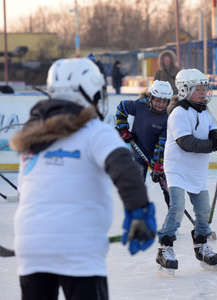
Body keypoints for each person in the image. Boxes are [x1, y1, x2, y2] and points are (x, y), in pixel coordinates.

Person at [10, 58, 156, 300]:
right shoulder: (95, 131)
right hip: (79, 247)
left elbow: (26, 193)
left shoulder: (31, 139)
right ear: (89, 93)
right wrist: (139, 212)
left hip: (31, 245)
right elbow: (125, 167)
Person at [156, 68, 217, 274]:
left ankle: (201, 245)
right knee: (177, 207)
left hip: (196, 171)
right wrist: (215, 145)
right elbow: (187, 143)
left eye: (204, 88)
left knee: (202, 210)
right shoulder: (178, 114)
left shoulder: (204, 111)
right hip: (177, 169)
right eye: (198, 89)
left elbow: (212, 132)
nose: (203, 93)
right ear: (184, 90)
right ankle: (165, 247)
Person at [115, 80, 173, 209]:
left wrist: (158, 165)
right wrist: (123, 128)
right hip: (137, 154)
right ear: (151, 97)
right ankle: (136, 217)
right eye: (158, 100)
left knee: (169, 190)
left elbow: (161, 144)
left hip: (158, 157)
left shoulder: (167, 119)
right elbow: (121, 108)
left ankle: (173, 218)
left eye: (164, 101)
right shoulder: (139, 106)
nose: (160, 104)